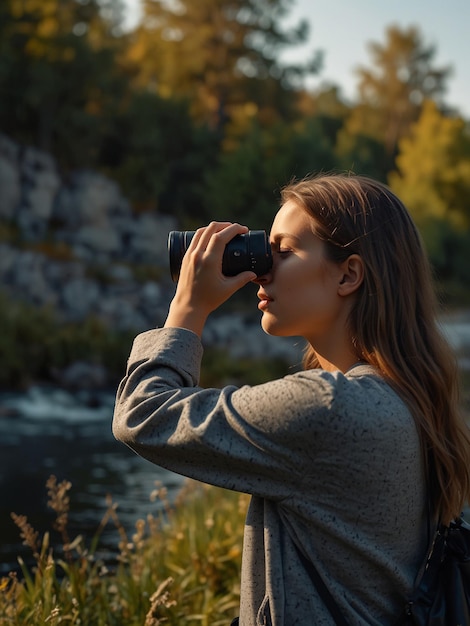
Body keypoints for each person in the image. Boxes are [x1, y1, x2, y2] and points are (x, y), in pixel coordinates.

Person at [112, 173, 470, 625]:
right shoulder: (409, 398)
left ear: (349, 274)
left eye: (283, 251)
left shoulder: (328, 408)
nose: (262, 267)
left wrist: (188, 308)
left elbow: (142, 415)